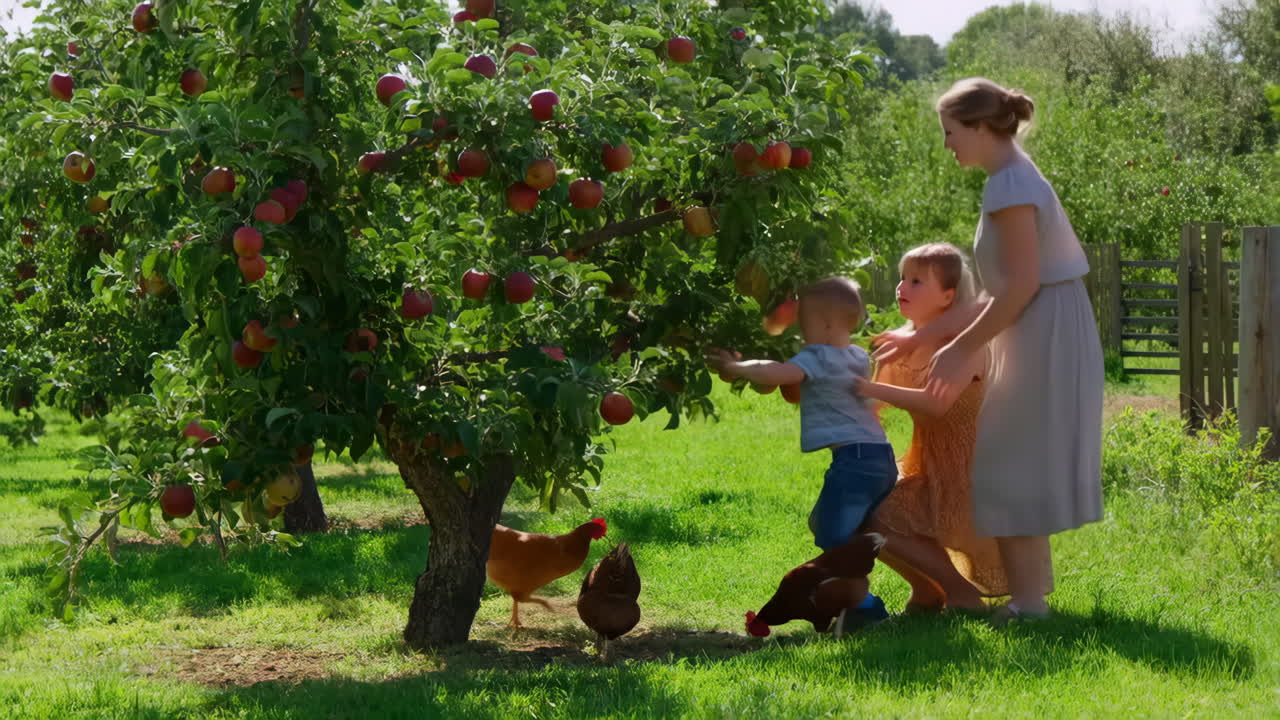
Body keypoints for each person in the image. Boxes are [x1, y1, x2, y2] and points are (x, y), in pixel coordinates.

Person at [873, 78, 1103, 620]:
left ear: (979, 128)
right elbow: (1004, 292)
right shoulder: (1010, 179)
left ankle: (1028, 603)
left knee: (1009, 460)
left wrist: (958, 349)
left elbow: (1020, 287)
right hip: (1034, 324)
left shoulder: (1010, 185)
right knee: (1006, 461)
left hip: (1041, 329)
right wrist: (926, 336)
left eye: (951, 132)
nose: (948, 144)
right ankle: (1028, 600)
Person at [706, 277, 896, 625]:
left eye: (804, 326)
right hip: (878, 457)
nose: (801, 335)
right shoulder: (856, 356)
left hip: (854, 461)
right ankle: (853, 594)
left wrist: (735, 367)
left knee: (834, 537)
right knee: (826, 525)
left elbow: (775, 372)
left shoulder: (818, 356)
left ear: (824, 325)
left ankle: (865, 607)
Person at [853, 242, 1007, 613]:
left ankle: (962, 594)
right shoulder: (898, 343)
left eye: (917, 281)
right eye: (902, 278)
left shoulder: (964, 344)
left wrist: (868, 388)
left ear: (948, 296)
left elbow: (935, 404)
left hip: (970, 467)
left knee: (878, 520)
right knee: (859, 515)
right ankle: (928, 591)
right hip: (927, 459)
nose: (901, 287)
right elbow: (874, 409)